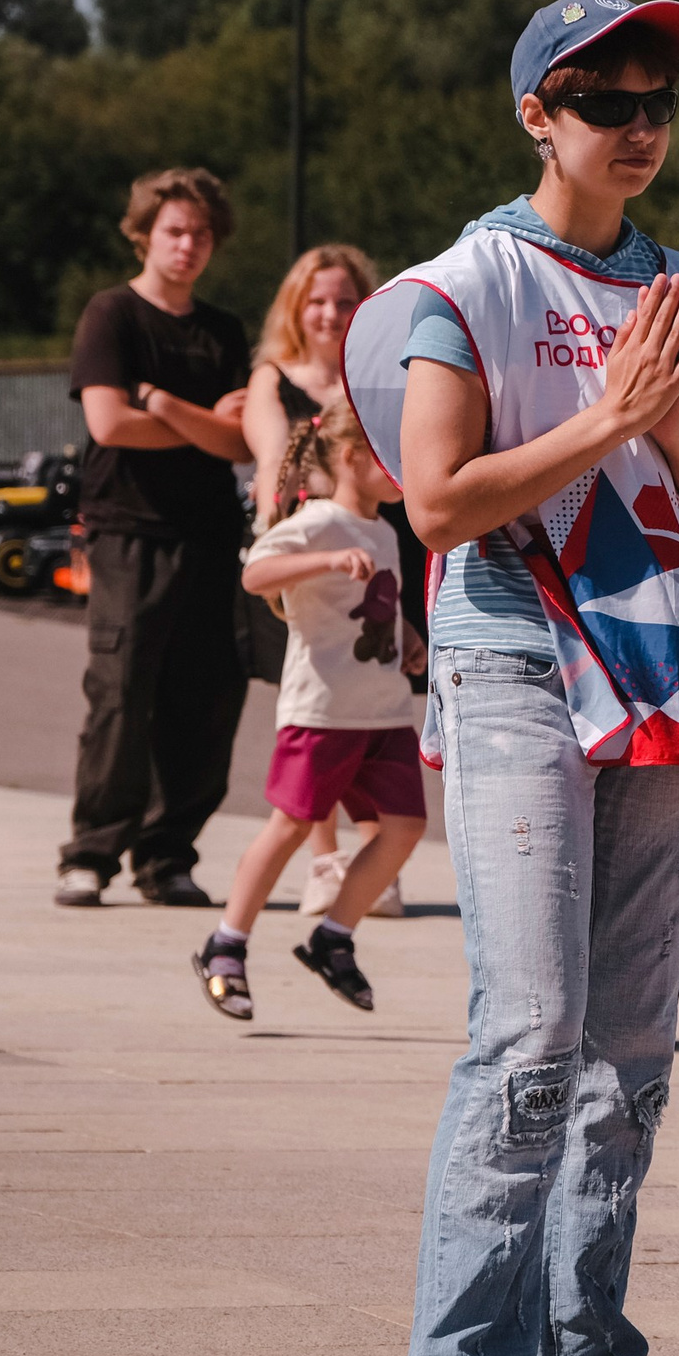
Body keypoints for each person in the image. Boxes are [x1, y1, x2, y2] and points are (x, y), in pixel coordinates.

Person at [344, 0, 679, 1356]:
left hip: (664, 667)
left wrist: (660, 421)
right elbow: (441, 503)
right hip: (518, 648)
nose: (640, 127)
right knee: (528, 1033)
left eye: (658, 102)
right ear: (538, 114)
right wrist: (608, 416)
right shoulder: (456, 288)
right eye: (606, 101)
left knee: (630, 1051)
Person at [54, 168, 254, 909]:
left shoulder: (223, 330)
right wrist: (202, 422)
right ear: (144, 233)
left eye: (201, 233)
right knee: (122, 687)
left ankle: (167, 855)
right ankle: (91, 853)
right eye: (174, 230)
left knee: (205, 698)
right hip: (128, 531)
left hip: (210, 534)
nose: (188, 245)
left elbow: (240, 442)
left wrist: (164, 405)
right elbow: (109, 424)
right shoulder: (111, 316)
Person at [194, 402, 426, 1020]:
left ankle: (333, 939)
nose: (403, 469)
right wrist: (324, 560)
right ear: (351, 458)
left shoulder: (382, 530)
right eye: (389, 456)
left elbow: (373, 600)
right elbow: (256, 573)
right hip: (322, 712)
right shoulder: (320, 520)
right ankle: (226, 944)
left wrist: (405, 633)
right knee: (291, 826)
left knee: (404, 828)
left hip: (382, 712)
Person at [242, 243, 420, 921]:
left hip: (372, 537)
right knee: (321, 710)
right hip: (307, 540)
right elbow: (270, 458)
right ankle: (322, 857)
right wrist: (304, 529)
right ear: (296, 308)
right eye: (316, 300)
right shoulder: (274, 376)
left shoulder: (379, 375)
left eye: (345, 300)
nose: (329, 312)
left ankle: (374, 856)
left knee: (369, 698)